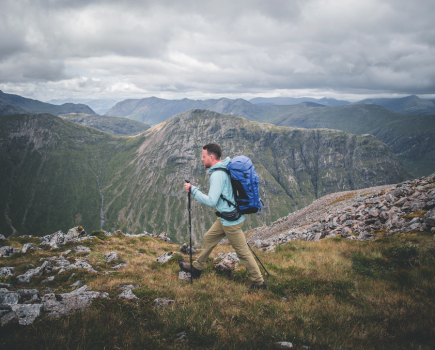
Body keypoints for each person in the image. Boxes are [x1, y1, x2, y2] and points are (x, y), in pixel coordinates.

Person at [179, 143, 266, 290]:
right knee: (209, 238)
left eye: (204, 156)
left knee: (243, 253)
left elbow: (211, 201)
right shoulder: (224, 166)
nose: (202, 159)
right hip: (226, 217)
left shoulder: (217, 175)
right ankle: (197, 268)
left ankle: (259, 283)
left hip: (230, 222)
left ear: (212, 157)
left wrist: (193, 190)